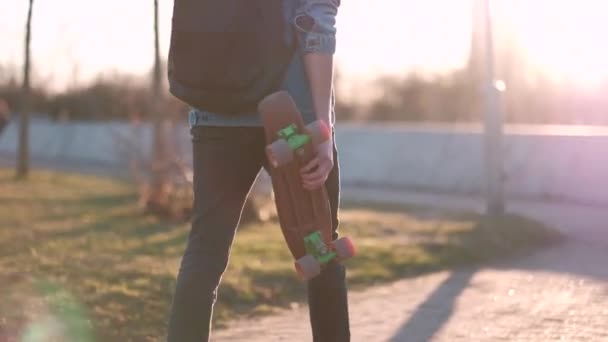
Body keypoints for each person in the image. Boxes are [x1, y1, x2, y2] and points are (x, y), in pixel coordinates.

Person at [166, 0, 349, 341]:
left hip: (216, 112)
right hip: (292, 117)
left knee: (205, 250)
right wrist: (323, 126)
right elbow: (315, 19)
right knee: (320, 246)